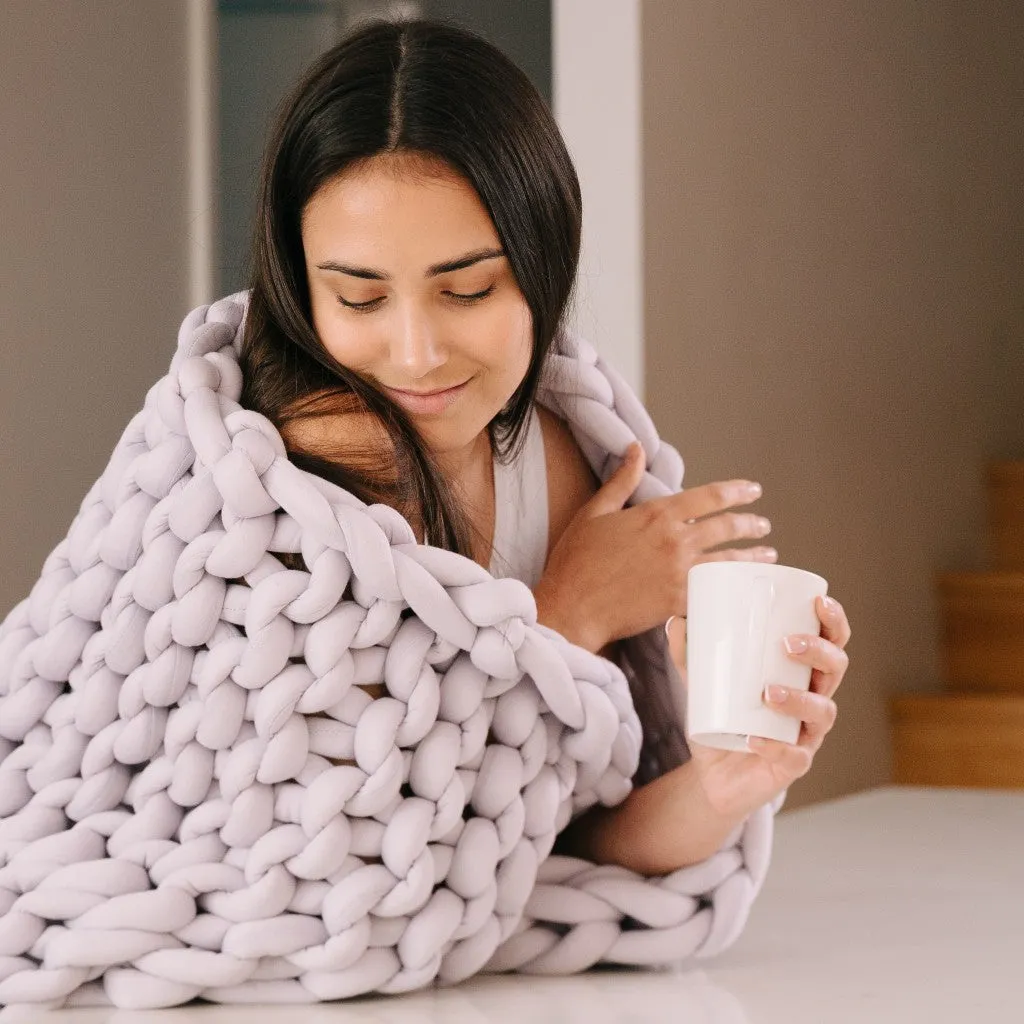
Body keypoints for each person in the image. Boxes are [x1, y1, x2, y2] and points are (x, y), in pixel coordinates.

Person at [238, 17, 851, 878]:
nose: (414, 354)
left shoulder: (559, 461)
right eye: (361, 299)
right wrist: (575, 609)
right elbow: (366, 855)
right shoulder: (308, 468)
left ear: (543, 263)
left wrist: (725, 780)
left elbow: (568, 854)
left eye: (467, 289)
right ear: (303, 291)